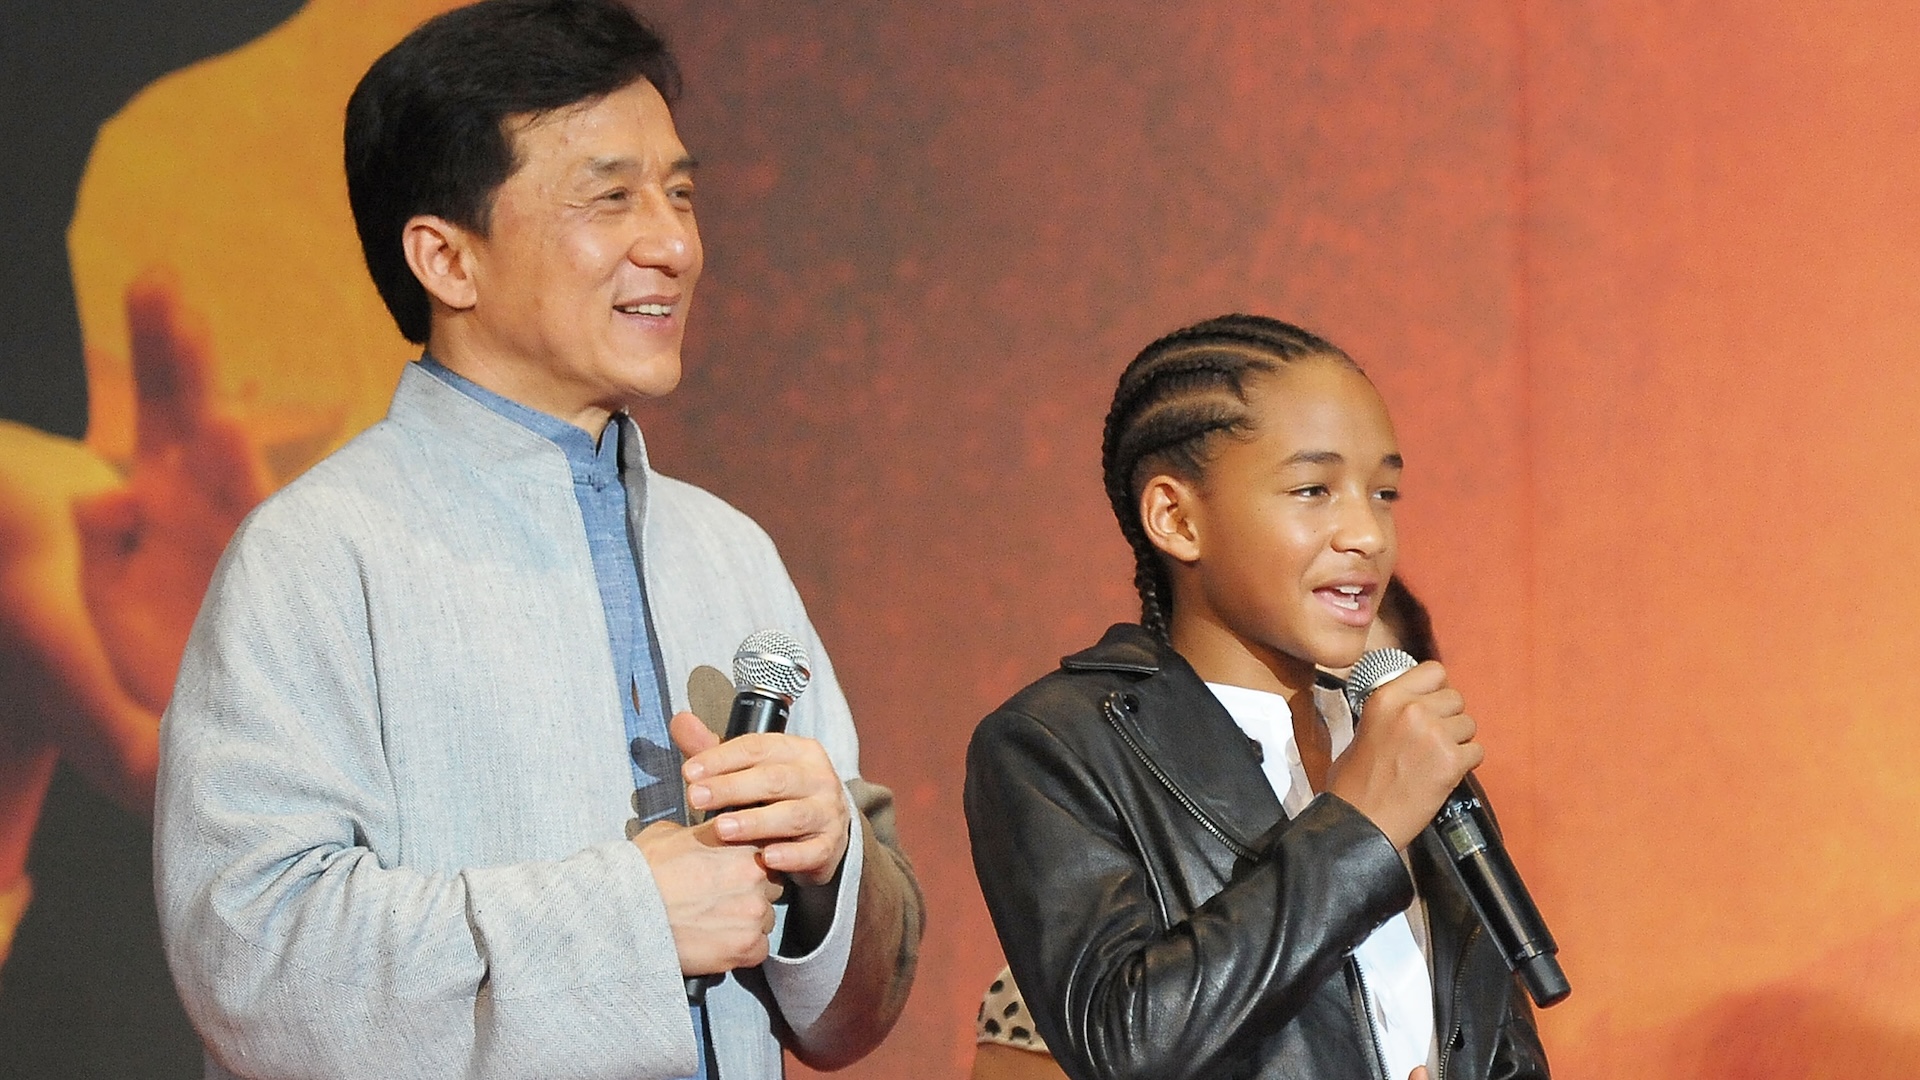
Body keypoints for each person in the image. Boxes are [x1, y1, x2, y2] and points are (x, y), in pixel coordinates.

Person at [153, 3, 923, 1078]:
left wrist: (832, 862)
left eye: (680, 193)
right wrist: (630, 917)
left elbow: (848, 1018)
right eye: (610, 198)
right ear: (446, 260)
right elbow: (256, 963)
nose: (673, 243)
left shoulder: (732, 551)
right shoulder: (315, 556)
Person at [964, 315, 1547, 1079]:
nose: (1367, 533)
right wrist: (1360, 829)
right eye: (1314, 490)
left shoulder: (1390, 737)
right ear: (1176, 517)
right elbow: (1126, 1041)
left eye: (1384, 493)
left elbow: (1493, 1041)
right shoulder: (1057, 743)